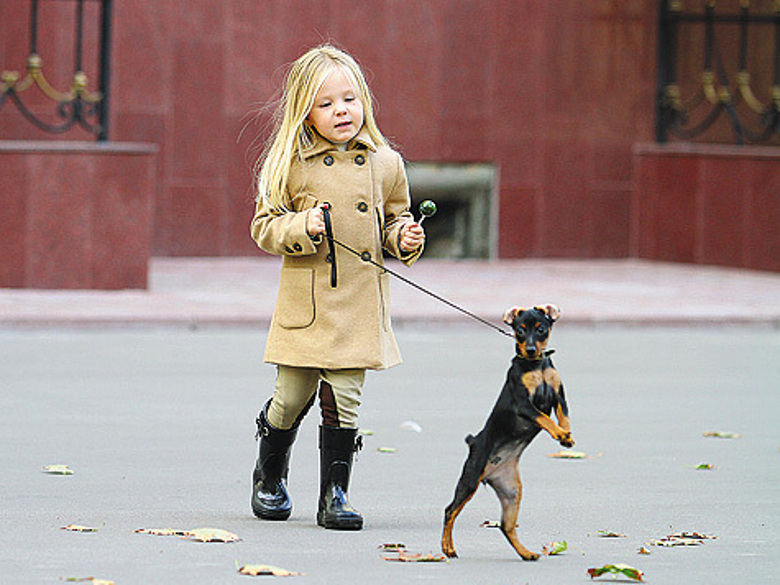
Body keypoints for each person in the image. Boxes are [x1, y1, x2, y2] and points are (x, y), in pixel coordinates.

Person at [249, 44, 425, 531]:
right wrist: (301, 225)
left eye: (349, 99)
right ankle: (269, 475)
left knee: (344, 400)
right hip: (306, 306)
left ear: (364, 100)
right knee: (290, 399)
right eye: (325, 104)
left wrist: (404, 238)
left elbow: (395, 221)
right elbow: (264, 226)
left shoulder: (385, 163)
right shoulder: (291, 163)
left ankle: (335, 494)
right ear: (305, 113)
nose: (341, 111)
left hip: (358, 304)